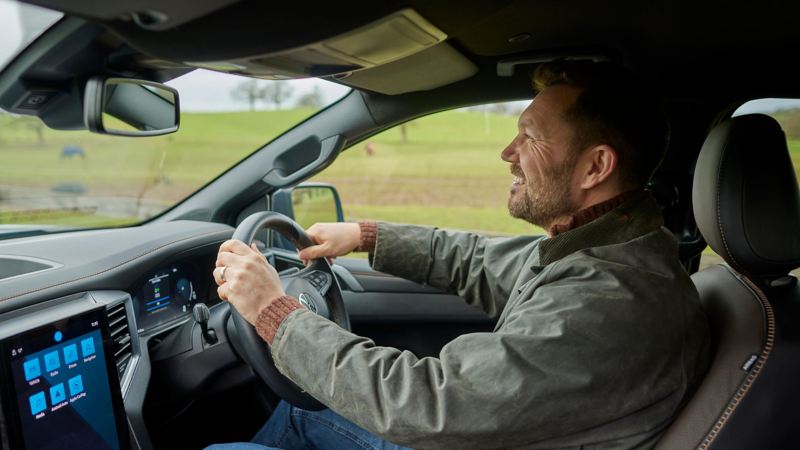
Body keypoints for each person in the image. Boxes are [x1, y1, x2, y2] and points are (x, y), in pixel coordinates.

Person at [208, 60, 710, 450]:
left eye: (530, 137)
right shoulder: (607, 247)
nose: (508, 153)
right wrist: (365, 236)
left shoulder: (610, 300)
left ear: (595, 166)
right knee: (303, 411)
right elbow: (481, 260)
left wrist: (276, 313)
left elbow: (429, 404)